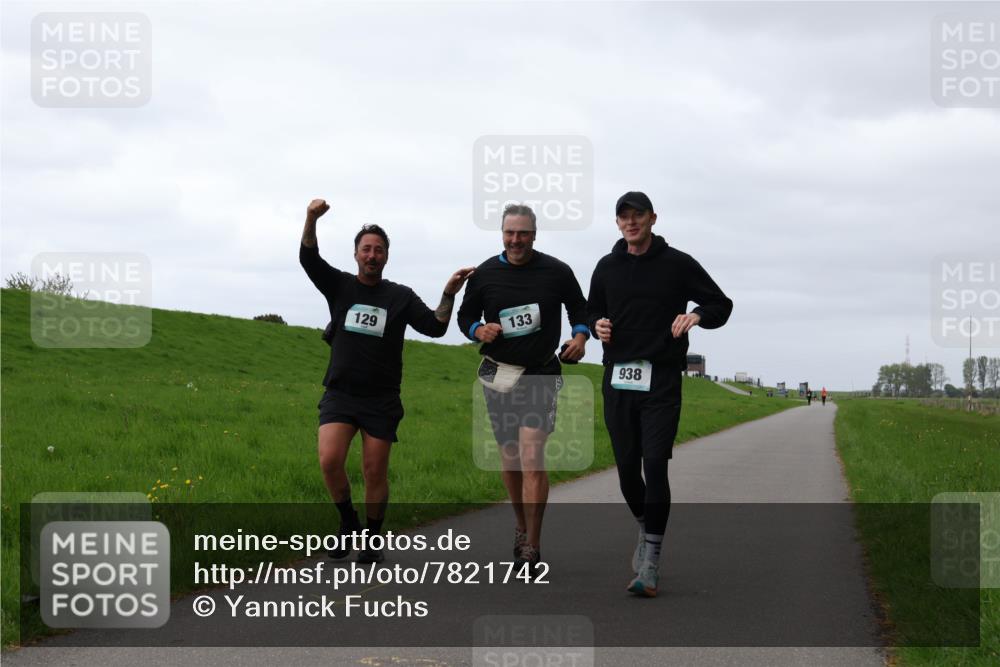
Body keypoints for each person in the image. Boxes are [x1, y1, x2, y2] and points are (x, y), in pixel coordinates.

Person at [300, 198, 473, 563]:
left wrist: (448, 294)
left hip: (380, 398)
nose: (372, 255)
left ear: (387, 256)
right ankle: (348, 522)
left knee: (374, 470)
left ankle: (372, 538)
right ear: (356, 254)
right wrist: (311, 218)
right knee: (330, 460)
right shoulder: (341, 287)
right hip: (341, 393)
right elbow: (309, 260)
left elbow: (436, 327)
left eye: (379, 249)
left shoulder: (400, 296)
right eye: (366, 249)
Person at [587, 191, 732, 597]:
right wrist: (596, 325)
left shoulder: (677, 264)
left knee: (656, 465)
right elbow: (590, 309)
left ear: (653, 218)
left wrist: (697, 315)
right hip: (618, 379)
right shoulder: (606, 266)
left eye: (638, 216)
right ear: (617, 223)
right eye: (623, 217)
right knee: (628, 473)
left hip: (662, 380)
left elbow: (721, 303)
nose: (631, 223)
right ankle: (646, 527)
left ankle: (650, 561)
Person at [457, 203, 589, 571]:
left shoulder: (557, 271)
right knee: (511, 459)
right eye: (510, 233)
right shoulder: (484, 274)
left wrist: (581, 336)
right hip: (499, 374)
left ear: (534, 234)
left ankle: (532, 544)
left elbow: (580, 309)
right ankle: (520, 523)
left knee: (533, 457)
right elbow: (465, 315)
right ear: (502, 234)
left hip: (540, 373)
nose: (516, 240)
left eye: (523, 233)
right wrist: (477, 330)